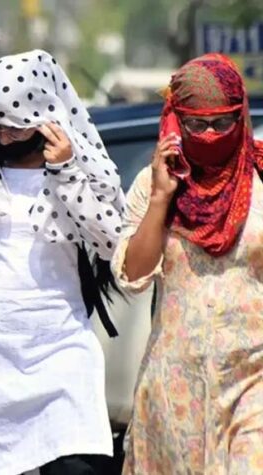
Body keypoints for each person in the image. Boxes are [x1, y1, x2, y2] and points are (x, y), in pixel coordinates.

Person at [0, 50, 125, 474]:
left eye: (15, 126)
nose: (5, 138)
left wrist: (66, 171)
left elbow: (111, 242)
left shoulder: (78, 172)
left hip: (61, 347)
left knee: (79, 463)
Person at [113, 54, 263, 473]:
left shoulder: (261, 176)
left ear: (241, 115)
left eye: (222, 122)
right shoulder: (154, 184)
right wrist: (162, 198)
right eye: (197, 124)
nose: (210, 134)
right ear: (176, 121)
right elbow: (133, 275)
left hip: (254, 378)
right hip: (177, 386)